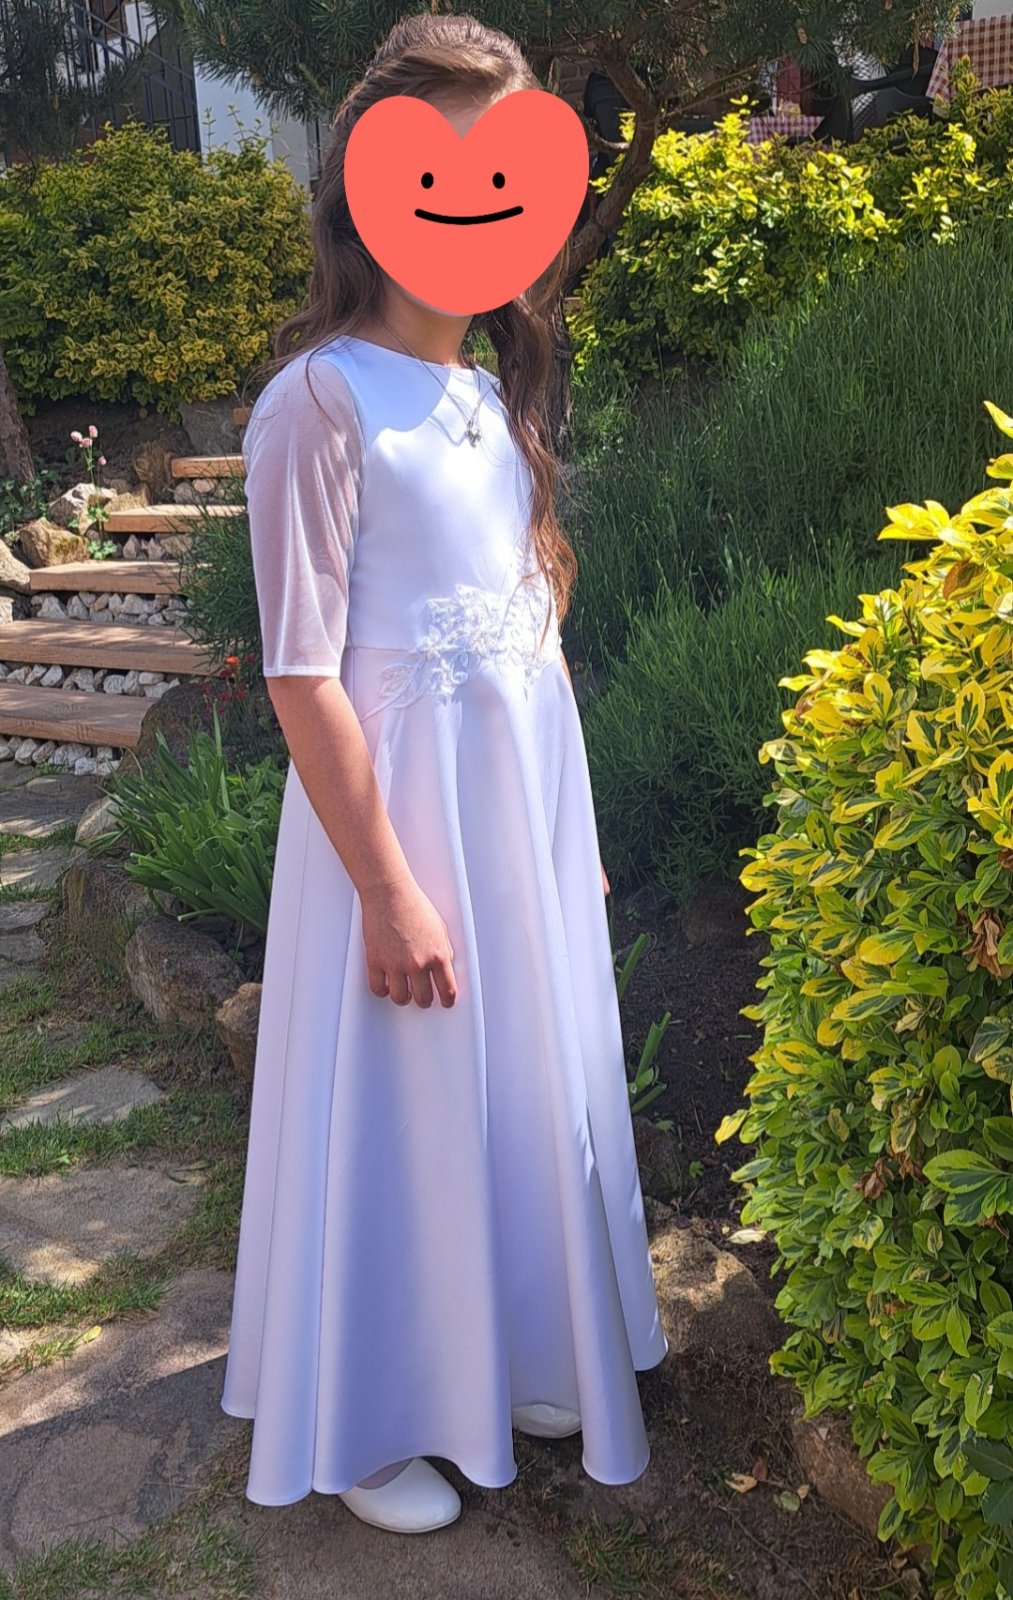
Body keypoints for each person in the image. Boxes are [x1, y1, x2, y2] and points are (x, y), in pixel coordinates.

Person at [219, 10, 670, 1536]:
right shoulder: (318, 404)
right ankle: (371, 1421)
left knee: (519, 1086)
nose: (475, 205)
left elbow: (532, 643)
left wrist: (567, 835)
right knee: (407, 1106)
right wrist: (388, 891)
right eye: (443, 168)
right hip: (396, 835)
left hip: (511, 821)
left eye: (506, 175)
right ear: (368, 181)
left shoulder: (486, 395)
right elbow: (302, 673)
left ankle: (521, 1349)